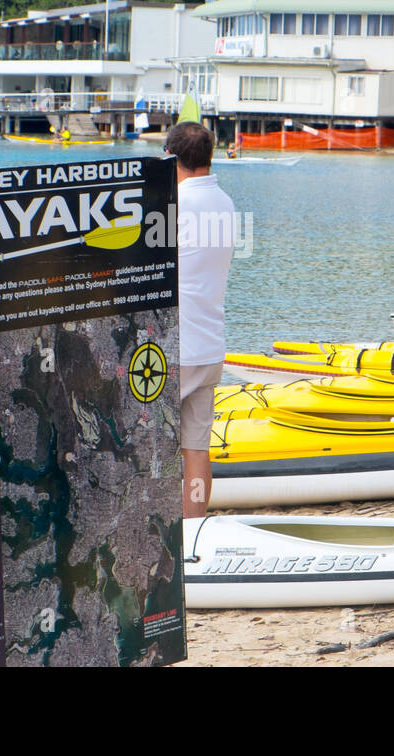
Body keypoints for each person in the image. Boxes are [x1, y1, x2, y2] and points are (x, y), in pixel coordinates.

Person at [166, 122, 236, 519]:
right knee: (196, 448)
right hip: (210, 346)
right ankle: (193, 529)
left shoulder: (174, 205)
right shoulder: (226, 204)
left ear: (171, 158)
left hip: (178, 349)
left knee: (148, 442)